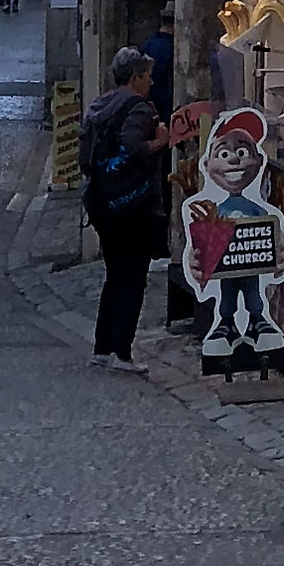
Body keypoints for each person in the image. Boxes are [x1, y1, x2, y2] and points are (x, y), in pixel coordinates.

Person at [84, 47, 169, 372]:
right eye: (147, 76)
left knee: (115, 276)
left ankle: (102, 347)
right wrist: (160, 141)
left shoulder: (100, 106)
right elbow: (135, 146)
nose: (151, 82)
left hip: (103, 203)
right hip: (133, 205)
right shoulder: (138, 109)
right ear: (135, 77)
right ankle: (122, 351)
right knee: (133, 277)